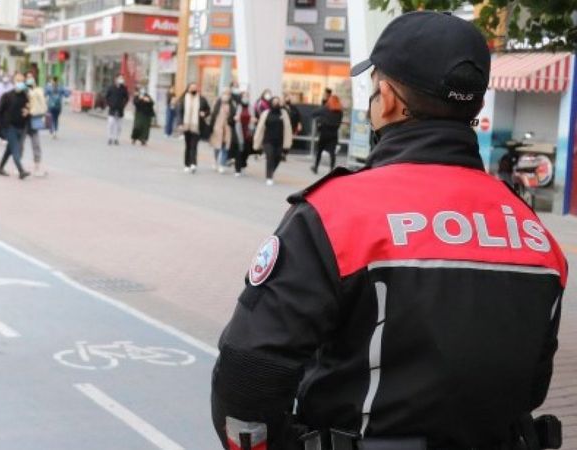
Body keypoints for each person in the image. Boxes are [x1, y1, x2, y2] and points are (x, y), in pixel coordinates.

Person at [211, 11, 568, 450]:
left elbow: (249, 371)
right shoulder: (534, 234)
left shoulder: (336, 213)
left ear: (390, 98)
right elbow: (531, 384)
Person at [0, 73, 31, 180]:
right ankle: (21, 170)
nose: (20, 83)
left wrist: (27, 112)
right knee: (15, 149)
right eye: (17, 81)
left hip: (21, 126)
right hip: (8, 126)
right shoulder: (7, 96)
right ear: (14, 82)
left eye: (22, 81)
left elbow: (28, 110)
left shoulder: (25, 96)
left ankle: (0, 168)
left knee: (9, 149)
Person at [253, 96, 292, 185]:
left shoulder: (284, 113)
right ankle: (269, 176)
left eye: (277, 102)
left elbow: (288, 127)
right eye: (274, 101)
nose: (276, 103)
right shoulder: (266, 113)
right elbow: (260, 127)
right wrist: (257, 139)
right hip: (268, 140)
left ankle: (271, 171)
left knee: (277, 158)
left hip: (279, 140)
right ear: (271, 103)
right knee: (270, 157)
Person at [176, 82, 210, 174]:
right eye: (192, 88)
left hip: (197, 126)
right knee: (188, 146)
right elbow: (179, 112)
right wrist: (180, 124)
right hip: (186, 126)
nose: (193, 89)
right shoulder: (183, 99)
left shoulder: (202, 99)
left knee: (194, 146)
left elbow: (208, 110)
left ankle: (193, 164)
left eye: (195, 88)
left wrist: (204, 113)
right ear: (188, 88)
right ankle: (187, 164)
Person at [311, 94, 344, 174]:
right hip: (334, 134)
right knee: (332, 153)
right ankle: (332, 169)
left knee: (319, 150)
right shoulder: (340, 112)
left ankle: (316, 167)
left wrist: (320, 119)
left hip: (324, 133)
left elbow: (313, 113)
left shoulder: (325, 109)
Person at [25, 74, 48, 177]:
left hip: (34, 119)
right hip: (24, 121)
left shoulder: (38, 91)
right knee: (19, 144)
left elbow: (43, 105)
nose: (30, 79)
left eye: (31, 78)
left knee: (36, 144)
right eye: (28, 77)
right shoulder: (23, 91)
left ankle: (37, 167)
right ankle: (19, 166)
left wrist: (34, 92)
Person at [208, 88, 236, 173]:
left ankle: (222, 164)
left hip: (227, 128)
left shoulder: (232, 104)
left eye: (228, 94)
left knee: (225, 147)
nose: (226, 95)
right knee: (217, 147)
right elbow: (212, 115)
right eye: (225, 93)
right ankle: (215, 162)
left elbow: (234, 116)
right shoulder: (217, 103)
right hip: (217, 127)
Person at [104, 75, 129, 146]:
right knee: (111, 123)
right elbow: (106, 97)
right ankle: (110, 137)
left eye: (122, 78)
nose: (121, 79)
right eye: (119, 78)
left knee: (119, 126)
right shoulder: (111, 87)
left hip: (120, 109)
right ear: (115, 79)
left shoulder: (124, 88)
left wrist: (123, 105)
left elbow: (126, 98)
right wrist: (109, 104)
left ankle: (116, 138)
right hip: (112, 109)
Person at [233, 91, 253, 177]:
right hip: (239, 131)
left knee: (246, 151)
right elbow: (231, 117)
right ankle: (237, 169)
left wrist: (254, 120)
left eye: (247, 96)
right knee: (239, 150)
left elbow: (256, 117)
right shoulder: (237, 107)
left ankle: (243, 165)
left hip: (248, 131)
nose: (245, 98)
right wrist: (234, 118)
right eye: (244, 96)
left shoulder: (251, 108)